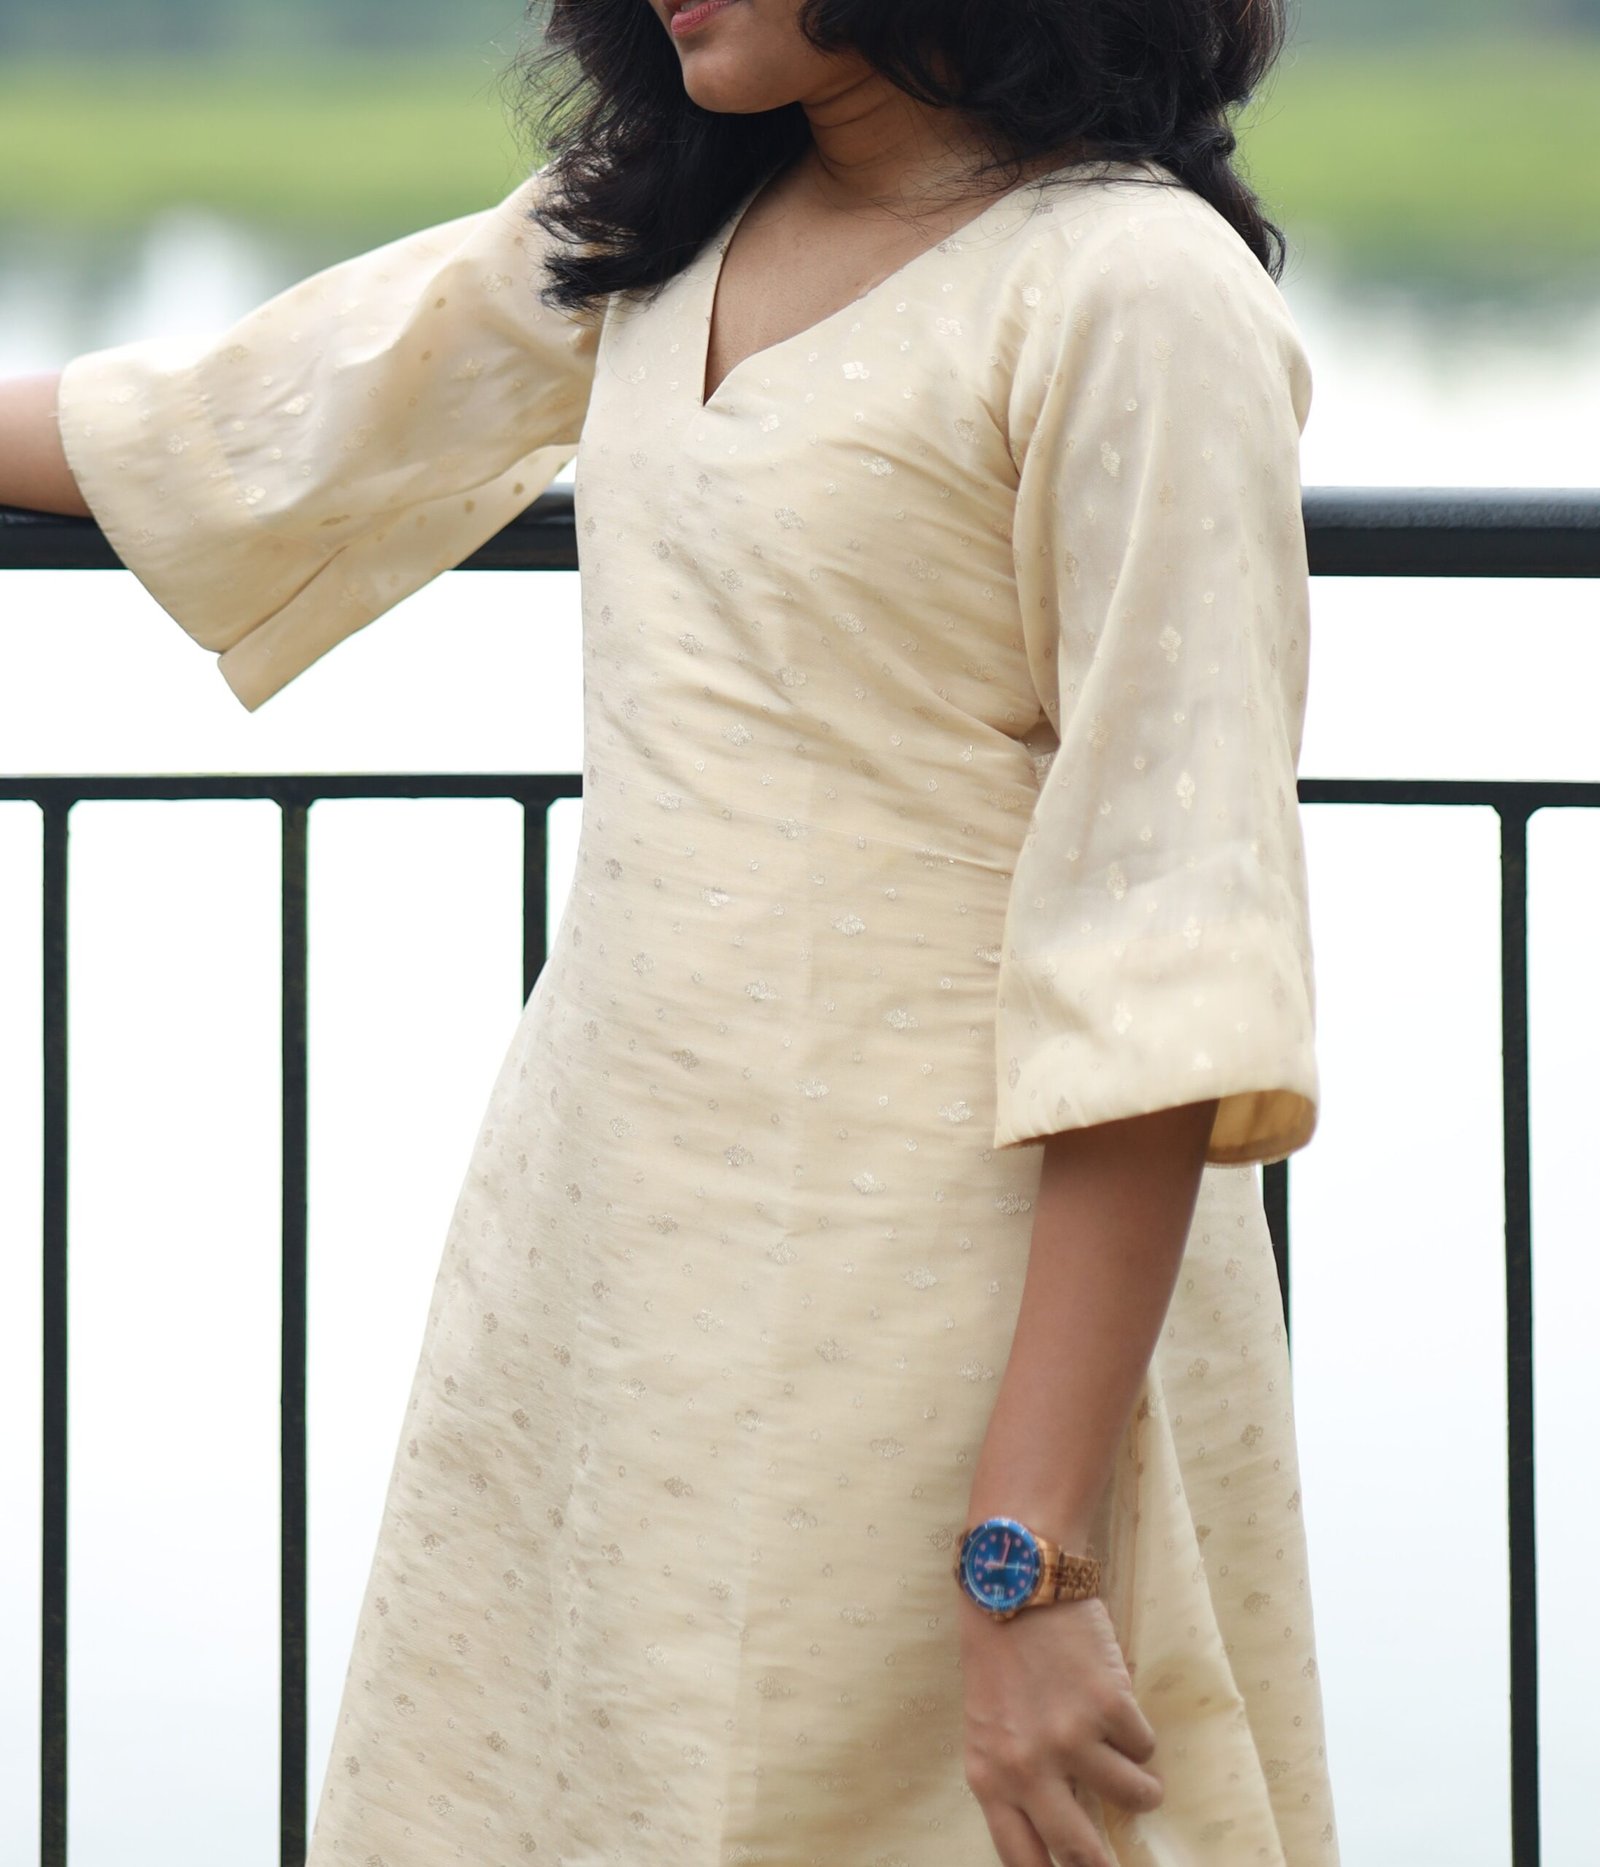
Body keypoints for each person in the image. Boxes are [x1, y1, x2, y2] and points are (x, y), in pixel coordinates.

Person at [0, 0, 1341, 1861]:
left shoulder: (1133, 290)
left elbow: (1165, 955)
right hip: (611, 1254)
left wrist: (1030, 1555)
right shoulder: (664, 220)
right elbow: (244, 425)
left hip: (957, 1290)